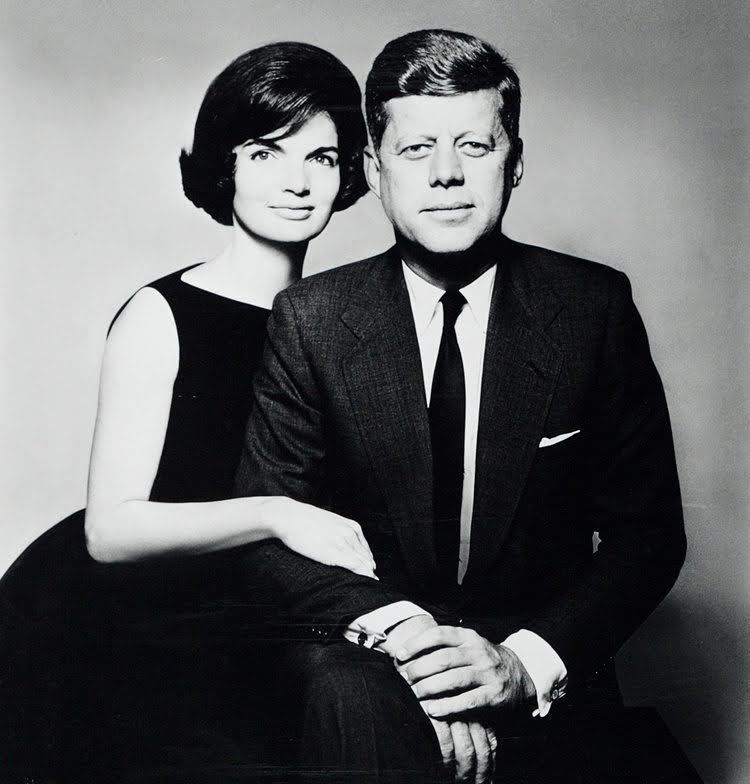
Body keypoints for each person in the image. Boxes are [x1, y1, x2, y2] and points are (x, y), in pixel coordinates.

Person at [234, 28, 687, 783]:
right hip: (370, 668)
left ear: (516, 162)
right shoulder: (311, 319)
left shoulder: (592, 309)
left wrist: (521, 666)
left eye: (474, 146)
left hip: (544, 679)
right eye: (416, 150)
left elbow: (648, 538)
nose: (446, 174)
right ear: (373, 170)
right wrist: (421, 649)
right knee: (347, 698)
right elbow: (268, 538)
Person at [0, 41, 371, 783]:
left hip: (260, 623)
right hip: (115, 628)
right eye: (266, 153)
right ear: (224, 167)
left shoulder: (346, 322)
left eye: (323, 157)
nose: (298, 182)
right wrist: (276, 514)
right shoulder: (160, 313)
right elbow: (110, 531)